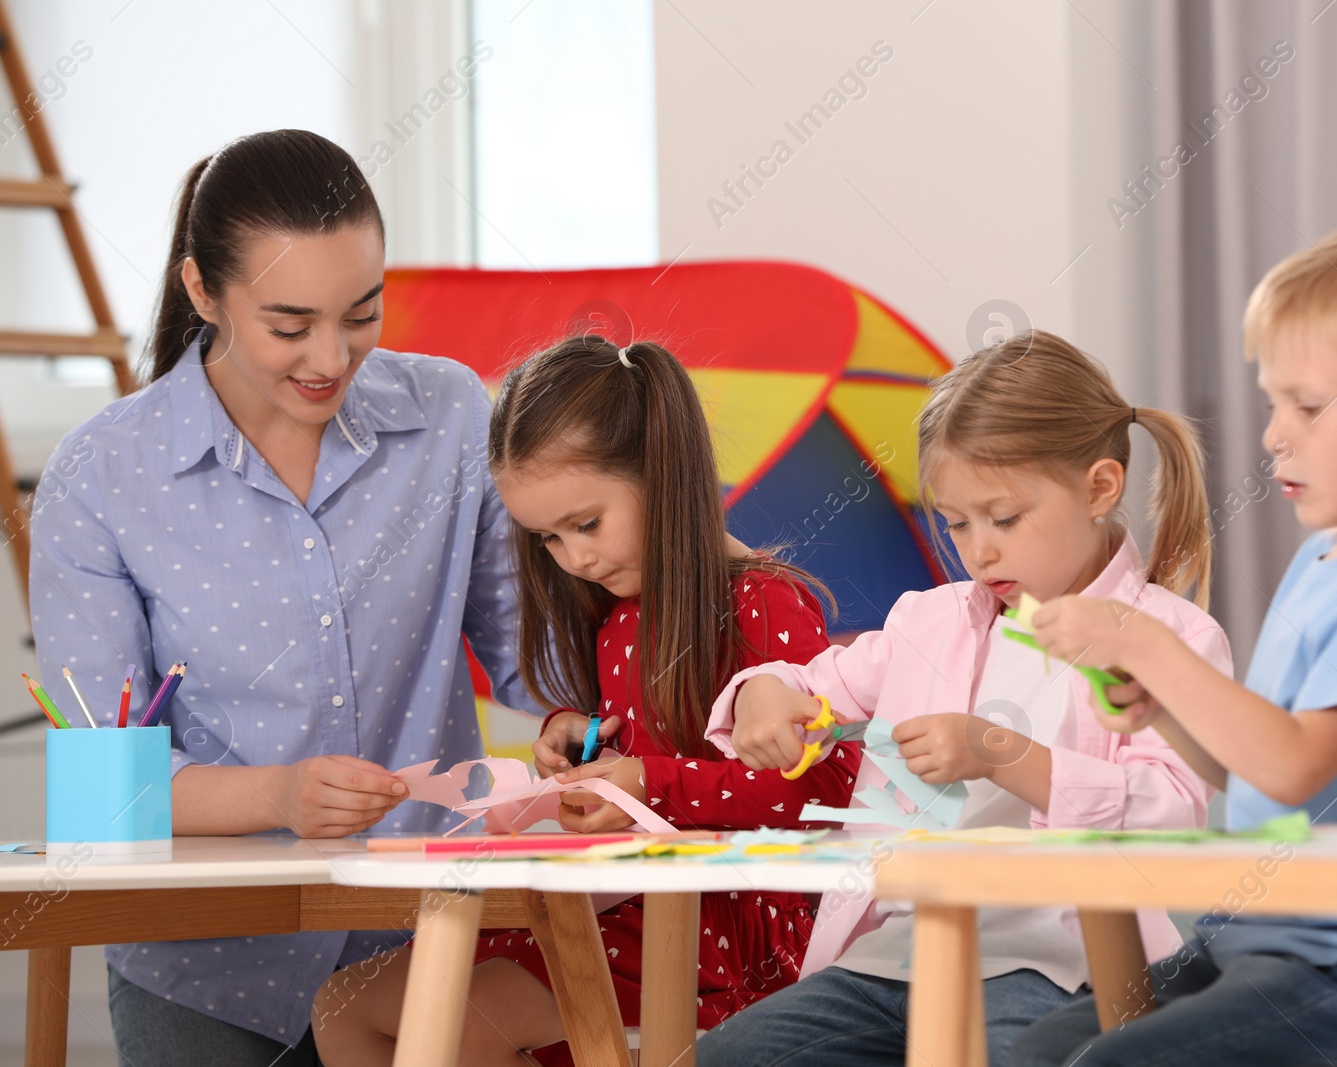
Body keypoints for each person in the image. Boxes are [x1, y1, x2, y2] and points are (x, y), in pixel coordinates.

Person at [27, 129, 540, 1064]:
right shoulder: (101, 475)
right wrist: (279, 793)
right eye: (290, 324)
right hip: (208, 967)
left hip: (426, 946)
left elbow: (531, 661)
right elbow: (100, 791)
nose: (332, 357)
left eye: (363, 312)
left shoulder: (451, 416)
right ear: (202, 292)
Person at [1013, 187, 1337, 1066]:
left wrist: (1145, 641)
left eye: (1310, 406)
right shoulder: (1326, 561)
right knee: (1036, 1049)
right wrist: (1166, 705)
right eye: (1273, 402)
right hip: (1255, 940)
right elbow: (1254, 769)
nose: (1275, 436)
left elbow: (1291, 764)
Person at [312, 335, 860, 1067]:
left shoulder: (764, 603)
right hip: (613, 898)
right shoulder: (619, 614)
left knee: (455, 1030)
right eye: (548, 538)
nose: (575, 558)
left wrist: (648, 783)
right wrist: (588, 742)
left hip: (713, 921)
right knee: (342, 1008)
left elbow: (823, 793)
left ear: (660, 474)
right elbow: (645, 752)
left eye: (586, 523)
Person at [697, 330, 1231, 1067]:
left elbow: (1170, 810)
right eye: (955, 521)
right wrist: (764, 692)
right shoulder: (930, 619)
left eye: (1004, 518)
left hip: (1063, 964)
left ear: (1100, 488)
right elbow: (808, 683)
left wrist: (998, 751)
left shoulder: (1171, 635)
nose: (977, 550)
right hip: (901, 953)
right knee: (737, 1056)